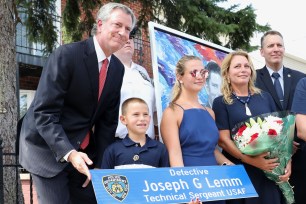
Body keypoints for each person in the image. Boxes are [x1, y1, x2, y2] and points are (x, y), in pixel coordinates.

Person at [18, 3, 136, 204]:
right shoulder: (67, 55)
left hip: (84, 153)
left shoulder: (117, 69)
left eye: (128, 29)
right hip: (47, 148)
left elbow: (107, 123)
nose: (123, 33)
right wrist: (69, 152)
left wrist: (100, 165)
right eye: (117, 25)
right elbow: (44, 113)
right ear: (100, 24)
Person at [212, 50, 291, 204]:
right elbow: (223, 140)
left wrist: (286, 161)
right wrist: (251, 160)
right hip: (240, 171)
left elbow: (280, 130)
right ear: (227, 73)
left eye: (246, 66)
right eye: (237, 66)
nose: (243, 70)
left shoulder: (265, 97)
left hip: (269, 170)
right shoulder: (220, 102)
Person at [161, 55, 232, 204]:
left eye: (203, 72)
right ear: (180, 77)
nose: (200, 77)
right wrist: (185, 193)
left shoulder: (209, 112)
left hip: (214, 185)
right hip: (191, 187)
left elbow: (212, 150)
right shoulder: (172, 112)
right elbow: (174, 154)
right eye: (194, 72)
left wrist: (229, 165)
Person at [255, 30, 306, 204]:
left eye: (279, 45)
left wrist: (292, 142)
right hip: (268, 160)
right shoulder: (252, 79)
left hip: (299, 157)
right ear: (262, 51)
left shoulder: (301, 78)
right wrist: (280, 144)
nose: (276, 49)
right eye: (270, 45)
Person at [102, 97, 168, 169]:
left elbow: (165, 178)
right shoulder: (112, 150)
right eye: (136, 114)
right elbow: (105, 178)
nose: (142, 118)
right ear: (123, 119)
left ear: (149, 118)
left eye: (145, 114)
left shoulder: (160, 149)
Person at [114, 28, 156, 140]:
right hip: (119, 142)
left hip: (147, 143)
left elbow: (154, 109)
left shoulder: (142, 71)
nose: (128, 41)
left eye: (131, 38)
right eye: (123, 38)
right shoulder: (108, 69)